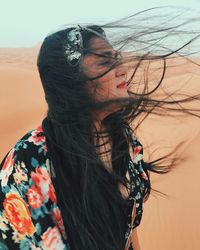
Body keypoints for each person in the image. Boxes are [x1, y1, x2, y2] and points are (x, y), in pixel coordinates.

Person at [0, 7, 200, 250]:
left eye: (117, 58)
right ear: (71, 80)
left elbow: (128, 232)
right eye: (106, 61)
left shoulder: (125, 142)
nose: (123, 69)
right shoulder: (30, 159)